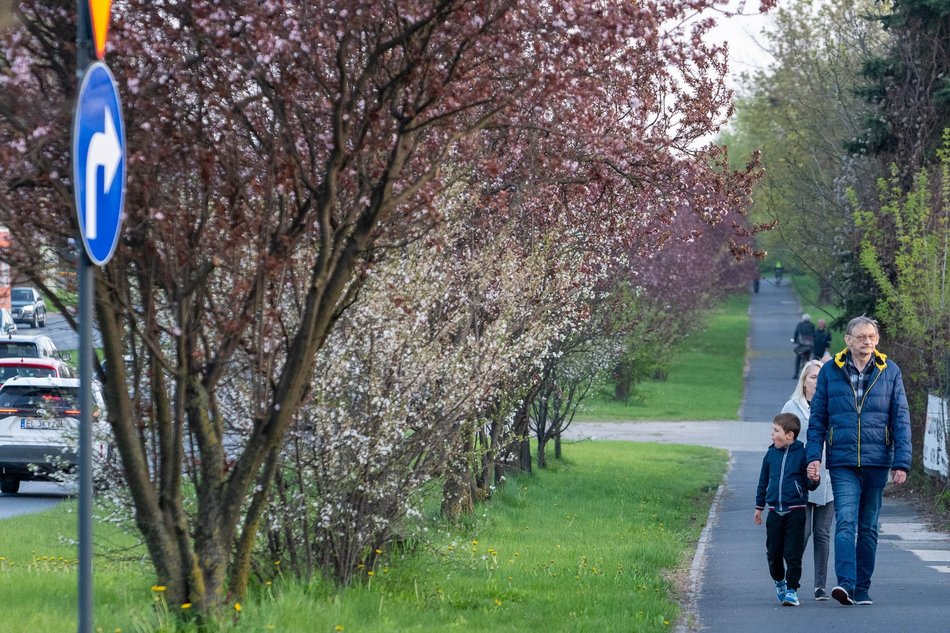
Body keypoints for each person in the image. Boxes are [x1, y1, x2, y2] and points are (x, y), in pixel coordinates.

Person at [806, 316, 912, 606]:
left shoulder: (889, 371)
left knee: (868, 527)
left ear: (877, 340)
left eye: (872, 337)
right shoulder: (830, 371)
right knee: (845, 522)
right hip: (842, 460)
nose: (867, 342)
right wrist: (813, 457)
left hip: (878, 460)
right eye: (862, 337)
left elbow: (900, 417)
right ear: (848, 340)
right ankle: (845, 585)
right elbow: (817, 418)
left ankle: (862, 587)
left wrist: (901, 462)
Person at [755, 412, 820, 607]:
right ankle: (779, 581)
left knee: (793, 553)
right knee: (773, 553)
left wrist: (814, 480)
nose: (772, 434)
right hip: (774, 511)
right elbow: (763, 482)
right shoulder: (770, 454)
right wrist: (759, 507)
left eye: (776, 431)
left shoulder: (802, 454)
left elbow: (809, 484)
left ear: (789, 435)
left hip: (796, 511)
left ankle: (792, 590)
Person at [782, 360, 834, 601]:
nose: (816, 381)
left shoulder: (834, 404)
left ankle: (820, 586)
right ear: (804, 381)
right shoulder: (792, 407)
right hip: (800, 481)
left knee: (823, 533)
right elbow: (780, 444)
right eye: (812, 377)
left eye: (820, 376)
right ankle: (790, 580)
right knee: (802, 533)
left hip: (828, 478)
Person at [791, 313, 815, 378]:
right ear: (809, 319)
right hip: (809, 346)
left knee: (798, 359)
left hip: (801, 345)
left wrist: (795, 340)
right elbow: (814, 334)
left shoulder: (799, 325)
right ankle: (809, 373)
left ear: (803, 319)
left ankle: (796, 373)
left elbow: (796, 334)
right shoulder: (812, 325)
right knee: (809, 359)